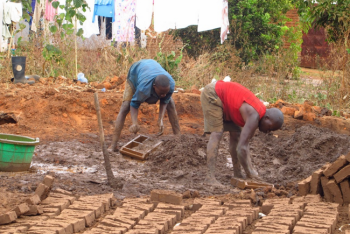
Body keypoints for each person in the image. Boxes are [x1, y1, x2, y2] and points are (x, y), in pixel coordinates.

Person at [201, 80, 284, 186]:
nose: (268, 132)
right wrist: (251, 172)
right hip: (213, 93)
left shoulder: (257, 112)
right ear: (267, 118)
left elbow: (243, 144)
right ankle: (210, 178)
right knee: (217, 133)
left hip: (228, 103)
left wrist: (250, 171)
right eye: (270, 128)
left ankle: (238, 174)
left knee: (237, 135)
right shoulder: (254, 116)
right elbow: (242, 148)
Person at [109, 59, 181, 152]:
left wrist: (160, 120)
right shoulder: (143, 88)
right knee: (125, 106)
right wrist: (134, 123)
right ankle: (113, 145)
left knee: (171, 103)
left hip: (151, 68)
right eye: (161, 93)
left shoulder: (170, 85)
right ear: (154, 86)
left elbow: (165, 101)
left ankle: (179, 141)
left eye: (165, 92)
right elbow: (134, 104)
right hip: (135, 73)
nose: (163, 95)